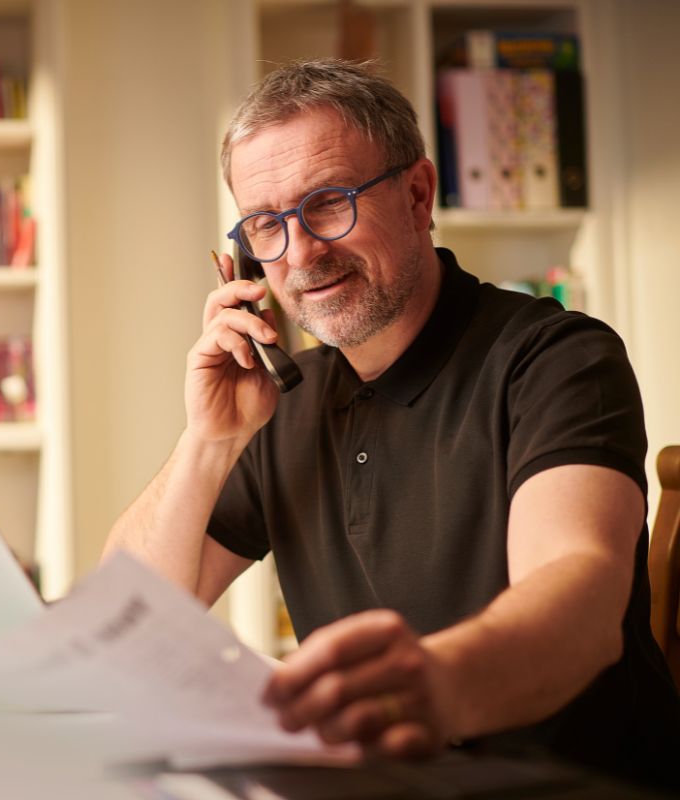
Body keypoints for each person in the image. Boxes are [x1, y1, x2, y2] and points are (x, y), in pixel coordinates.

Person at [103, 59, 680, 790]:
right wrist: (208, 441)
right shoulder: (282, 401)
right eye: (266, 225)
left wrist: (430, 687)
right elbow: (120, 619)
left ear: (417, 196)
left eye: (328, 203)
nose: (300, 253)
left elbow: (581, 603)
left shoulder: (555, 359)